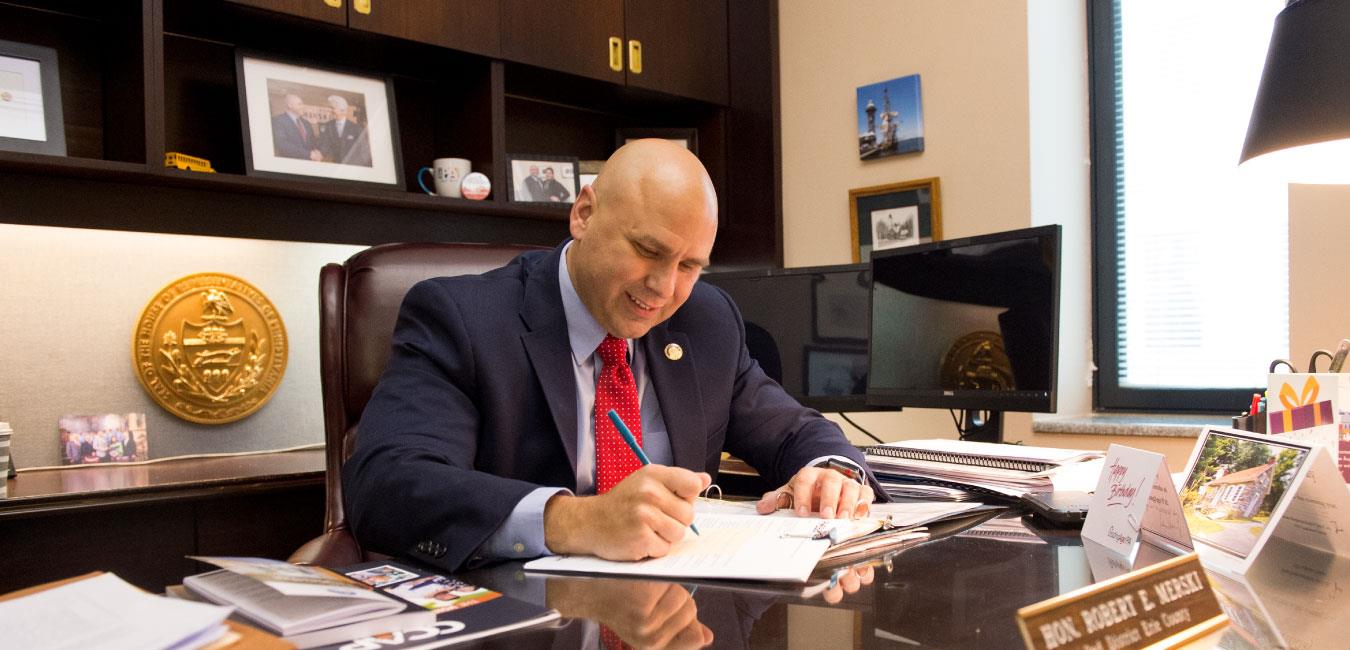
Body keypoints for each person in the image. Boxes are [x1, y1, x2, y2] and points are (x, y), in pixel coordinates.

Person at [344, 139, 881, 572]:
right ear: (583, 214)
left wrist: (830, 471)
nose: (664, 288)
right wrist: (576, 521)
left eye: (690, 265)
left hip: (674, 612)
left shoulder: (706, 321)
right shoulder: (463, 318)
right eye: (648, 251)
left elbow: (790, 428)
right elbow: (388, 485)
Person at [317, 95, 371, 166]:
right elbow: (325, 145)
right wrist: (319, 155)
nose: (330, 111)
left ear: (342, 110)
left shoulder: (357, 128)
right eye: (330, 108)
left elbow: (364, 152)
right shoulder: (328, 126)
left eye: (332, 108)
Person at [270, 93, 321, 161]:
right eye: (299, 104)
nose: (303, 106)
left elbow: (313, 141)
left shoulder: (306, 123)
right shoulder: (278, 121)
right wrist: (308, 154)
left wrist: (317, 151)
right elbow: (282, 144)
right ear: (290, 105)